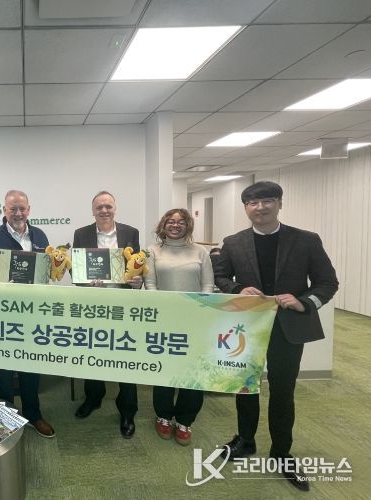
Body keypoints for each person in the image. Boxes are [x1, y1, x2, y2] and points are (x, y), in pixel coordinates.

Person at [214, 181, 338, 492]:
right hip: (246, 326)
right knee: (245, 386)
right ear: (246, 208)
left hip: (288, 326)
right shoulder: (233, 242)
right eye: (252, 203)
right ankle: (245, 440)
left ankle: (282, 452)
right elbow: (220, 276)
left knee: (283, 390)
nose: (260, 208)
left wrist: (304, 302)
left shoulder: (306, 240)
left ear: (279, 203)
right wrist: (237, 289)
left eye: (267, 200)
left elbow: (327, 282)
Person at [0, 189, 55, 438]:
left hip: (33, 315)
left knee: (31, 366)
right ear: (4, 210)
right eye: (13, 209)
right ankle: (4, 420)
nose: (18, 213)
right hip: (1, 317)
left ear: (29, 210)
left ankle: (33, 415)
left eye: (22, 208)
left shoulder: (40, 236)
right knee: (1, 371)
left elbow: (47, 271)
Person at [72, 191, 141, 438]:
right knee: (93, 354)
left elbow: (137, 266)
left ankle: (128, 410)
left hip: (123, 305)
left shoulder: (130, 233)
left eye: (108, 206)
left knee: (125, 356)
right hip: (94, 306)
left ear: (115, 208)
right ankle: (93, 398)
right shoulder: (81, 234)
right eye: (99, 207)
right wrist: (86, 281)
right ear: (93, 211)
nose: (104, 210)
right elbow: (76, 272)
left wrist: (138, 281)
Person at [143, 208, 213, 445]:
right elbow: (150, 285)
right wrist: (164, 311)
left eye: (181, 222)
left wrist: (199, 310)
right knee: (165, 370)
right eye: (171, 221)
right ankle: (163, 416)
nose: (175, 225)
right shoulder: (152, 251)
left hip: (194, 320)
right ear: (163, 225)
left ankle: (185, 420)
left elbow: (208, 286)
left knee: (193, 372)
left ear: (188, 225)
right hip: (164, 320)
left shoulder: (200, 251)